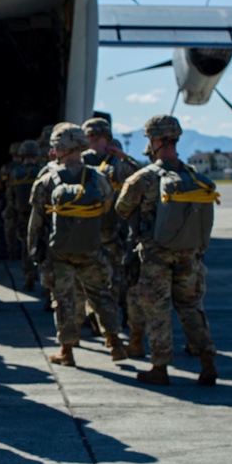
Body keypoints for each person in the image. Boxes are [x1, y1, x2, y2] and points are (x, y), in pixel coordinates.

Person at [115, 115, 218, 386]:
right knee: (191, 308)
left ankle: (159, 368)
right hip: (189, 254)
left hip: (155, 255)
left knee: (157, 310)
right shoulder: (194, 176)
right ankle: (207, 360)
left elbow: (122, 209)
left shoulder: (144, 178)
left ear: (157, 140)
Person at [28, 123, 127, 366]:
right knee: (101, 296)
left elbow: (36, 221)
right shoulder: (98, 178)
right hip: (92, 249)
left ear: (58, 148)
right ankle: (115, 343)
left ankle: (67, 350)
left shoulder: (47, 180)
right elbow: (107, 208)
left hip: (59, 252)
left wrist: (35, 251)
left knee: (63, 300)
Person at [81, 117, 141, 348]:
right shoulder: (119, 163)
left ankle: (96, 319)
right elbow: (146, 179)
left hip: (86, 231)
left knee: (88, 279)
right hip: (113, 230)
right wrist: (124, 157)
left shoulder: (78, 161)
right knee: (113, 279)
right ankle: (111, 321)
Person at [7, 140, 43, 291]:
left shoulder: (15, 173)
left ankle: (28, 277)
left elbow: (10, 197)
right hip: (40, 215)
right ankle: (45, 284)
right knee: (43, 247)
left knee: (25, 247)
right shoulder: (42, 172)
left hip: (22, 214)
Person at [0, 142, 22, 258]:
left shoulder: (6, 168)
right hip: (21, 203)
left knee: (9, 228)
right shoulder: (26, 169)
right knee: (20, 228)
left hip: (10, 202)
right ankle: (19, 251)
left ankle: (11, 251)